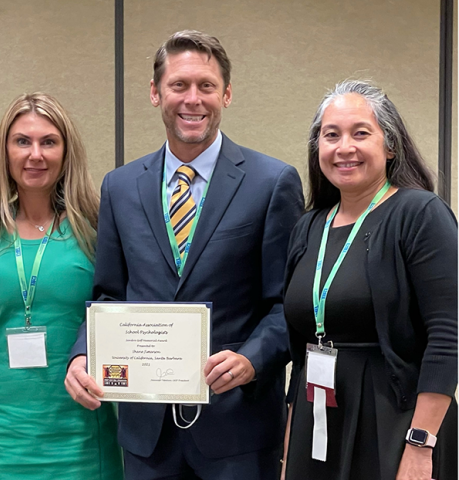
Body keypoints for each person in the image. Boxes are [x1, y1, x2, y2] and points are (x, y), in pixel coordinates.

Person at [65, 30, 304, 479]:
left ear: (227, 94)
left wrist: (253, 359)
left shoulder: (272, 183)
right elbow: (109, 295)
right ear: (156, 93)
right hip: (146, 434)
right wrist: (84, 355)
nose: (192, 99)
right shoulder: (120, 187)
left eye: (206, 86)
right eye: (179, 85)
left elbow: (286, 304)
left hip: (237, 428)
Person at [282, 80, 457, 480]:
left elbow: (448, 336)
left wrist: (420, 444)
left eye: (361, 133)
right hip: (318, 418)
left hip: (394, 421)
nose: (345, 147)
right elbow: (298, 347)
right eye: (331, 135)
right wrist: (290, 445)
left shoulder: (419, 214)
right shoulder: (309, 227)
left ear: (390, 145)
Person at [0, 93, 123, 479]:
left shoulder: (97, 226)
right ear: (5, 151)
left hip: (79, 426)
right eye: (22, 141)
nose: (35, 154)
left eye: (49, 142)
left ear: (66, 151)